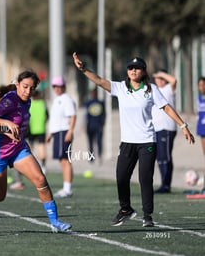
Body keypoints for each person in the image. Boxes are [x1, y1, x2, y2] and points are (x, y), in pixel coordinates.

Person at [72, 52, 195, 227]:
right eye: (130, 68)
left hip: (147, 142)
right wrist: (83, 68)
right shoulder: (121, 88)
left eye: (137, 68)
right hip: (128, 142)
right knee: (121, 177)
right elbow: (99, 81)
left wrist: (183, 126)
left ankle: (147, 215)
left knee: (145, 179)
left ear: (144, 71)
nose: (133, 70)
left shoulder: (151, 89)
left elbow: (166, 107)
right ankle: (125, 209)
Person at [0, 70, 72, 233]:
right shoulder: (10, 99)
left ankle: (55, 222)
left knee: (40, 180)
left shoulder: (27, 101)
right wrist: (6, 124)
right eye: (25, 87)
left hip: (17, 148)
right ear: (18, 84)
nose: (28, 91)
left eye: (32, 88)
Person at [46, 76, 77, 198]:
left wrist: (70, 131)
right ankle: (66, 187)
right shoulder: (57, 99)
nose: (57, 88)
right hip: (58, 133)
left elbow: (73, 116)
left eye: (59, 86)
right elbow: (55, 119)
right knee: (63, 160)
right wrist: (51, 133)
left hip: (64, 132)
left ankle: (67, 189)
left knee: (65, 160)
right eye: (55, 86)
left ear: (64, 86)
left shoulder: (66, 99)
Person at [10, 90, 48, 190]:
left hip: (30, 130)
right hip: (41, 129)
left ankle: (22, 175)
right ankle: (43, 167)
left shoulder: (29, 104)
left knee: (27, 151)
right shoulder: (43, 103)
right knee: (42, 148)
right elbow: (47, 116)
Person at [151, 70, 177, 193]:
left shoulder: (168, 89)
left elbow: (174, 80)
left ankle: (166, 185)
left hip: (167, 128)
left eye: (161, 78)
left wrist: (160, 73)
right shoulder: (153, 90)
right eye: (157, 78)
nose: (159, 80)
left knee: (165, 157)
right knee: (160, 157)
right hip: (156, 128)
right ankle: (164, 184)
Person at [84, 88, 105, 164]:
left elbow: (103, 115)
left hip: (98, 126)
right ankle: (91, 158)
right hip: (90, 126)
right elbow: (85, 115)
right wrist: (84, 125)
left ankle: (99, 156)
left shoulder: (101, 102)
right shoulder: (88, 103)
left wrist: (102, 125)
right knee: (90, 143)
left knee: (99, 142)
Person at [196, 76, 205, 193]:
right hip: (202, 129)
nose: (202, 87)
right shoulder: (198, 98)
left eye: (204, 84)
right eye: (200, 85)